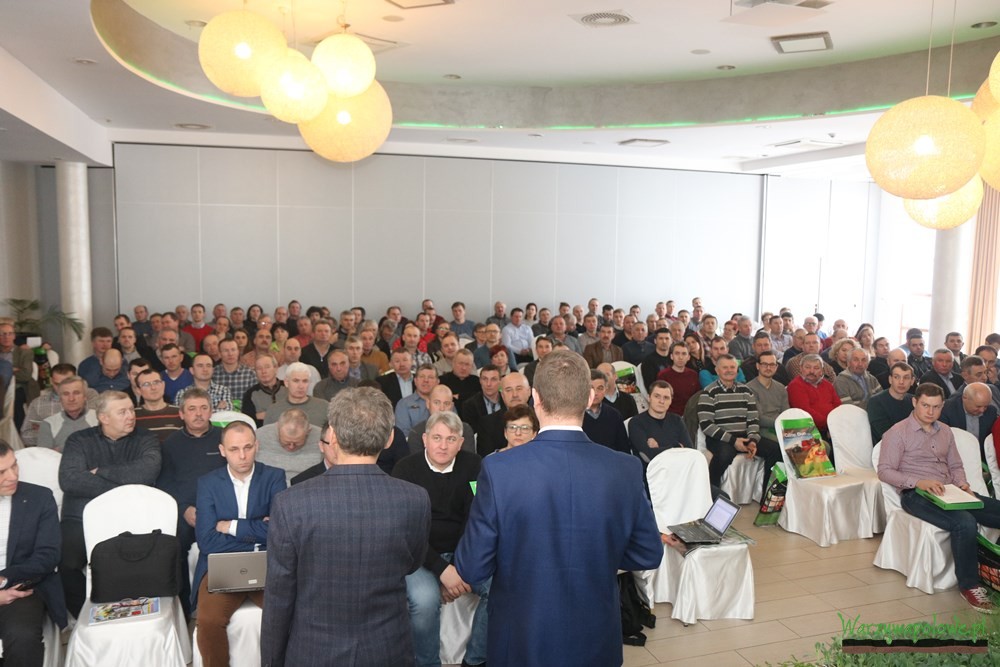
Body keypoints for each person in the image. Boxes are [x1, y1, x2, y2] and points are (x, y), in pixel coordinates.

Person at [454, 350, 662, 666]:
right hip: (596, 632)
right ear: (589, 396)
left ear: (535, 398)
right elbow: (648, 552)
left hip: (521, 634)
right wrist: (598, 557)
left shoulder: (499, 469)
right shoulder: (624, 468)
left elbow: (472, 567)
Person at [261, 388, 432, 666]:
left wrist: (271, 660)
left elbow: (279, 597)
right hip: (387, 649)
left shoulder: (290, 503)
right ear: (389, 438)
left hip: (313, 652)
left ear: (334, 437)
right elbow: (412, 563)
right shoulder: (414, 499)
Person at [877, 383, 1000, 614]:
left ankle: (993, 567)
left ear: (942, 406)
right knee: (964, 522)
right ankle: (970, 586)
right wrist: (918, 482)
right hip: (916, 495)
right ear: (915, 402)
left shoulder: (945, 430)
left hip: (951, 491)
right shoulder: (897, 432)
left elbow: (955, 465)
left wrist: (962, 484)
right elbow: (884, 471)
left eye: (935, 407)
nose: (930, 411)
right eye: (925, 405)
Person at [392, 411, 490, 667]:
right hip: (419, 557)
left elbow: (475, 520)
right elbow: (406, 531)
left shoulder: (475, 465)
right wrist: (442, 570)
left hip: (463, 554)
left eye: (451, 439)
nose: (443, 446)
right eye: (437, 438)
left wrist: (457, 567)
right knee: (425, 601)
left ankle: (475, 661)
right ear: (425, 439)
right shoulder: (405, 469)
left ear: (461, 443)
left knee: (499, 589)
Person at [57, 391, 161, 618]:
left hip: (131, 516)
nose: (131, 416)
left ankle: (133, 614)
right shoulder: (79, 440)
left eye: (131, 410)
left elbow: (147, 471)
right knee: (65, 561)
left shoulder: (146, 438)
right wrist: (124, 488)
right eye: (122, 412)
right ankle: (85, 615)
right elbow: (70, 479)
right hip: (81, 517)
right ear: (103, 418)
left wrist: (100, 471)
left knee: (138, 561)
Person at [193, 421, 285, 664]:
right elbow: (207, 541)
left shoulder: (274, 477)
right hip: (220, 565)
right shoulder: (208, 483)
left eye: (248, 447)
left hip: (265, 563)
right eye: (234, 449)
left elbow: (279, 532)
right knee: (209, 621)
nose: (242, 456)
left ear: (257, 446)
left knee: (287, 614)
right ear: (222, 450)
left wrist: (231, 527)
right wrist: (258, 534)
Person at [155, 388, 224, 618]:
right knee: (173, 547)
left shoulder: (224, 438)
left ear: (211, 411)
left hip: (221, 511)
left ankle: (220, 603)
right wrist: (184, 509)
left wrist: (215, 511)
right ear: (181, 414)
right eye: (192, 409)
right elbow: (165, 482)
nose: (199, 414)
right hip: (185, 511)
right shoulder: (171, 444)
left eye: (204, 408)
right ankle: (184, 609)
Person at [0, 439, 68, 666]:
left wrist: (4, 579)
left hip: (20, 588)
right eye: (2, 472)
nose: (12, 476)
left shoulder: (38, 498)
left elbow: (47, 555)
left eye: (14, 465)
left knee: (22, 636)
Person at [698, 354, 780, 495]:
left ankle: (767, 496)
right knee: (725, 455)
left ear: (737, 370)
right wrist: (733, 441)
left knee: (776, 450)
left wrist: (753, 440)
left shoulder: (746, 391)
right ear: (717, 370)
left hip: (744, 435)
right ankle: (710, 494)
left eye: (732, 367)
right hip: (720, 438)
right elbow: (706, 425)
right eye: (725, 367)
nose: (729, 370)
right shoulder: (708, 393)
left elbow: (753, 420)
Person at [628, 380, 692, 465]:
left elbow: (690, 451)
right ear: (649, 398)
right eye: (657, 396)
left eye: (666, 398)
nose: (661, 401)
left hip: (679, 468)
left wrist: (658, 447)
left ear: (671, 401)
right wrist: (676, 446)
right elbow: (648, 455)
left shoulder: (677, 420)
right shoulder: (636, 422)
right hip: (651, 471)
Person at [255, 408, 324, 484]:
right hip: (269, 484)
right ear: (278, 428)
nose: (291, 447)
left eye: (297, 443)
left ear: (308, 431)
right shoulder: (260, 435)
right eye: (286, 442)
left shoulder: (322, 437)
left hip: (309, 485)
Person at [37, 375, 98, 451]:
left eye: (76, 393)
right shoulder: (48, 424)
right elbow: (44, 455)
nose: (71, 399)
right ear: (60, 398)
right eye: (66, 394)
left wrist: (60, 449)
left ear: (85, 396)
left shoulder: (99, 419)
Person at [868, 362, 916, 443]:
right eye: (896, 377)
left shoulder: (914, 401)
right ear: (890, 379)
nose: (901, 382)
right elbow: (886, 434)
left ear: (912, 381)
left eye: (906, 378)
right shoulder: (876, 402)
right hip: (886, 447)